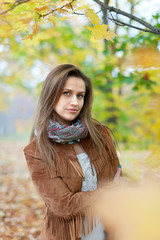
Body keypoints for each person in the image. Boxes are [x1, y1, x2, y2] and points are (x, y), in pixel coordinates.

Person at [23, 64, 122, 240]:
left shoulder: (100, 134)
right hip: (64, 235)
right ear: (51, 94)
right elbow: (63, 206)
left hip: (107, 231)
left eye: (80, 95)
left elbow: (119, 178)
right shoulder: (36, 150)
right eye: (66, 93)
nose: (75, 102)